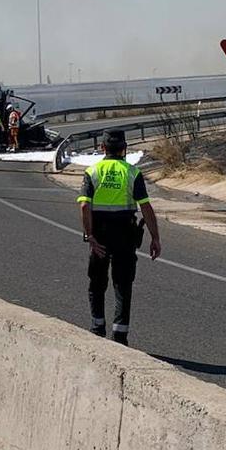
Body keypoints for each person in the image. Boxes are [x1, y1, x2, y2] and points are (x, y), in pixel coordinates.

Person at [77, 129, 161, 346]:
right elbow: (146, 207)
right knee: (122, 285)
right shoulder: (132, 172)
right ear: (124, 149)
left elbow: (85, 205)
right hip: (125, 234)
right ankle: (120, 336)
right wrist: (155, 238)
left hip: (101, 234)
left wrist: (90, 235)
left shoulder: (93, 171)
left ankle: (97, 329)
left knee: (97, 282)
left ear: (102, 148)